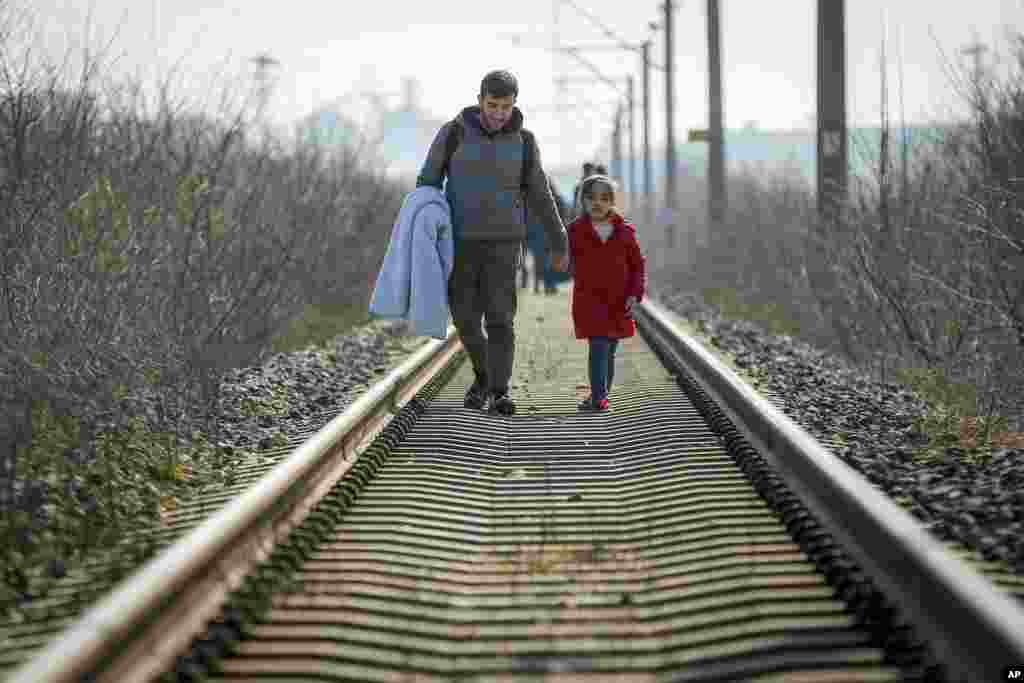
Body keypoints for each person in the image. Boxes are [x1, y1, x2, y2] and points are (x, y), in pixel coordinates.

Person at [417, 70, 569, 416]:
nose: (499, 113)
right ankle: (484, 376)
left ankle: (500, 391)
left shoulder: (524, 142)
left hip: (504, 243)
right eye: (493, 105)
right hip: (459, 241)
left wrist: (559, 241)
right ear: (480, 100)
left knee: (500, 318)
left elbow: (541, 195)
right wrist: (420, 232)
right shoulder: (453, 133)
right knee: (465, 318)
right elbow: (427, 184)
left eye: (506, 106)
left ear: (514, 104)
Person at [567, 174, 646, 412]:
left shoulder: (624, 232)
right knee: (598, 346)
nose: (597, 203)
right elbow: (565, 260)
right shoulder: (575, 231)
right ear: (583, 201)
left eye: (604, 198)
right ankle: (600, 398)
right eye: (591, 198)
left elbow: (637, 266)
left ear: (613, 202)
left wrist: (635, 295)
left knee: (609, 350)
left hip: (618, 301)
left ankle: (600, 396)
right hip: (590, 300)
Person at [525, 174, 570, 294]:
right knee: (546, 261)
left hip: (539, 235)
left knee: (540, 261)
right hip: (545, 234)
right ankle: (547, 285)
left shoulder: (532, 199)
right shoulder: (554, 198)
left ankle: (541, 285)